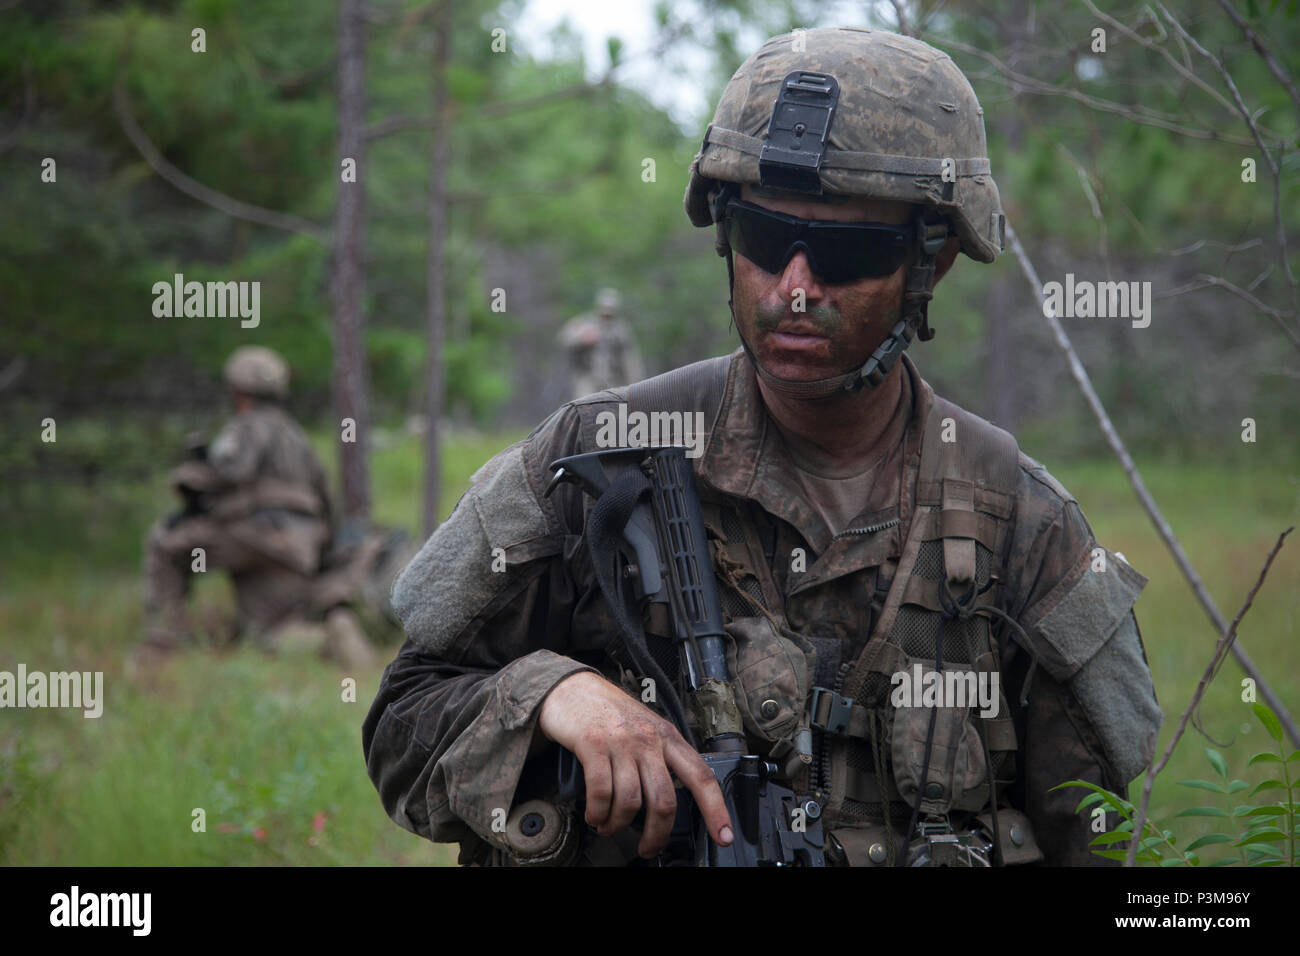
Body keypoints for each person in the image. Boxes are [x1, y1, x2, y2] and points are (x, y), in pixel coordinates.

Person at [363, 27, 1161, 866]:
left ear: (936, 262)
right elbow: (402, 727)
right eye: (768, 241)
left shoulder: (1022, 523)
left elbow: (1099, 837)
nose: (797, 289)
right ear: (726, 236)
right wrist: (550, 693)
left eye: (849, 252)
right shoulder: (597, 461)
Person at [142, 345, 334, 652]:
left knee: (165, 545)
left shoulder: (247, 426)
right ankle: (332, 639)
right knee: (269, 635)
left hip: (256, 535)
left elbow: (229, 474)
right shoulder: (298, 436)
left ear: (238, 391)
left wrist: (188, 476)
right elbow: (326, 500)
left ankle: (162, 641)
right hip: (298, 550)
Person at [558, 287, 645, 400]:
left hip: (612, 379)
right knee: (585, 406)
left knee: (610, 411)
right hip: (587, 377)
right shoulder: (585, 321)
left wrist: (635, 383)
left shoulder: (621, 329)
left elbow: (630, 359)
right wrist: (581, 338)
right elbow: (564, 338)